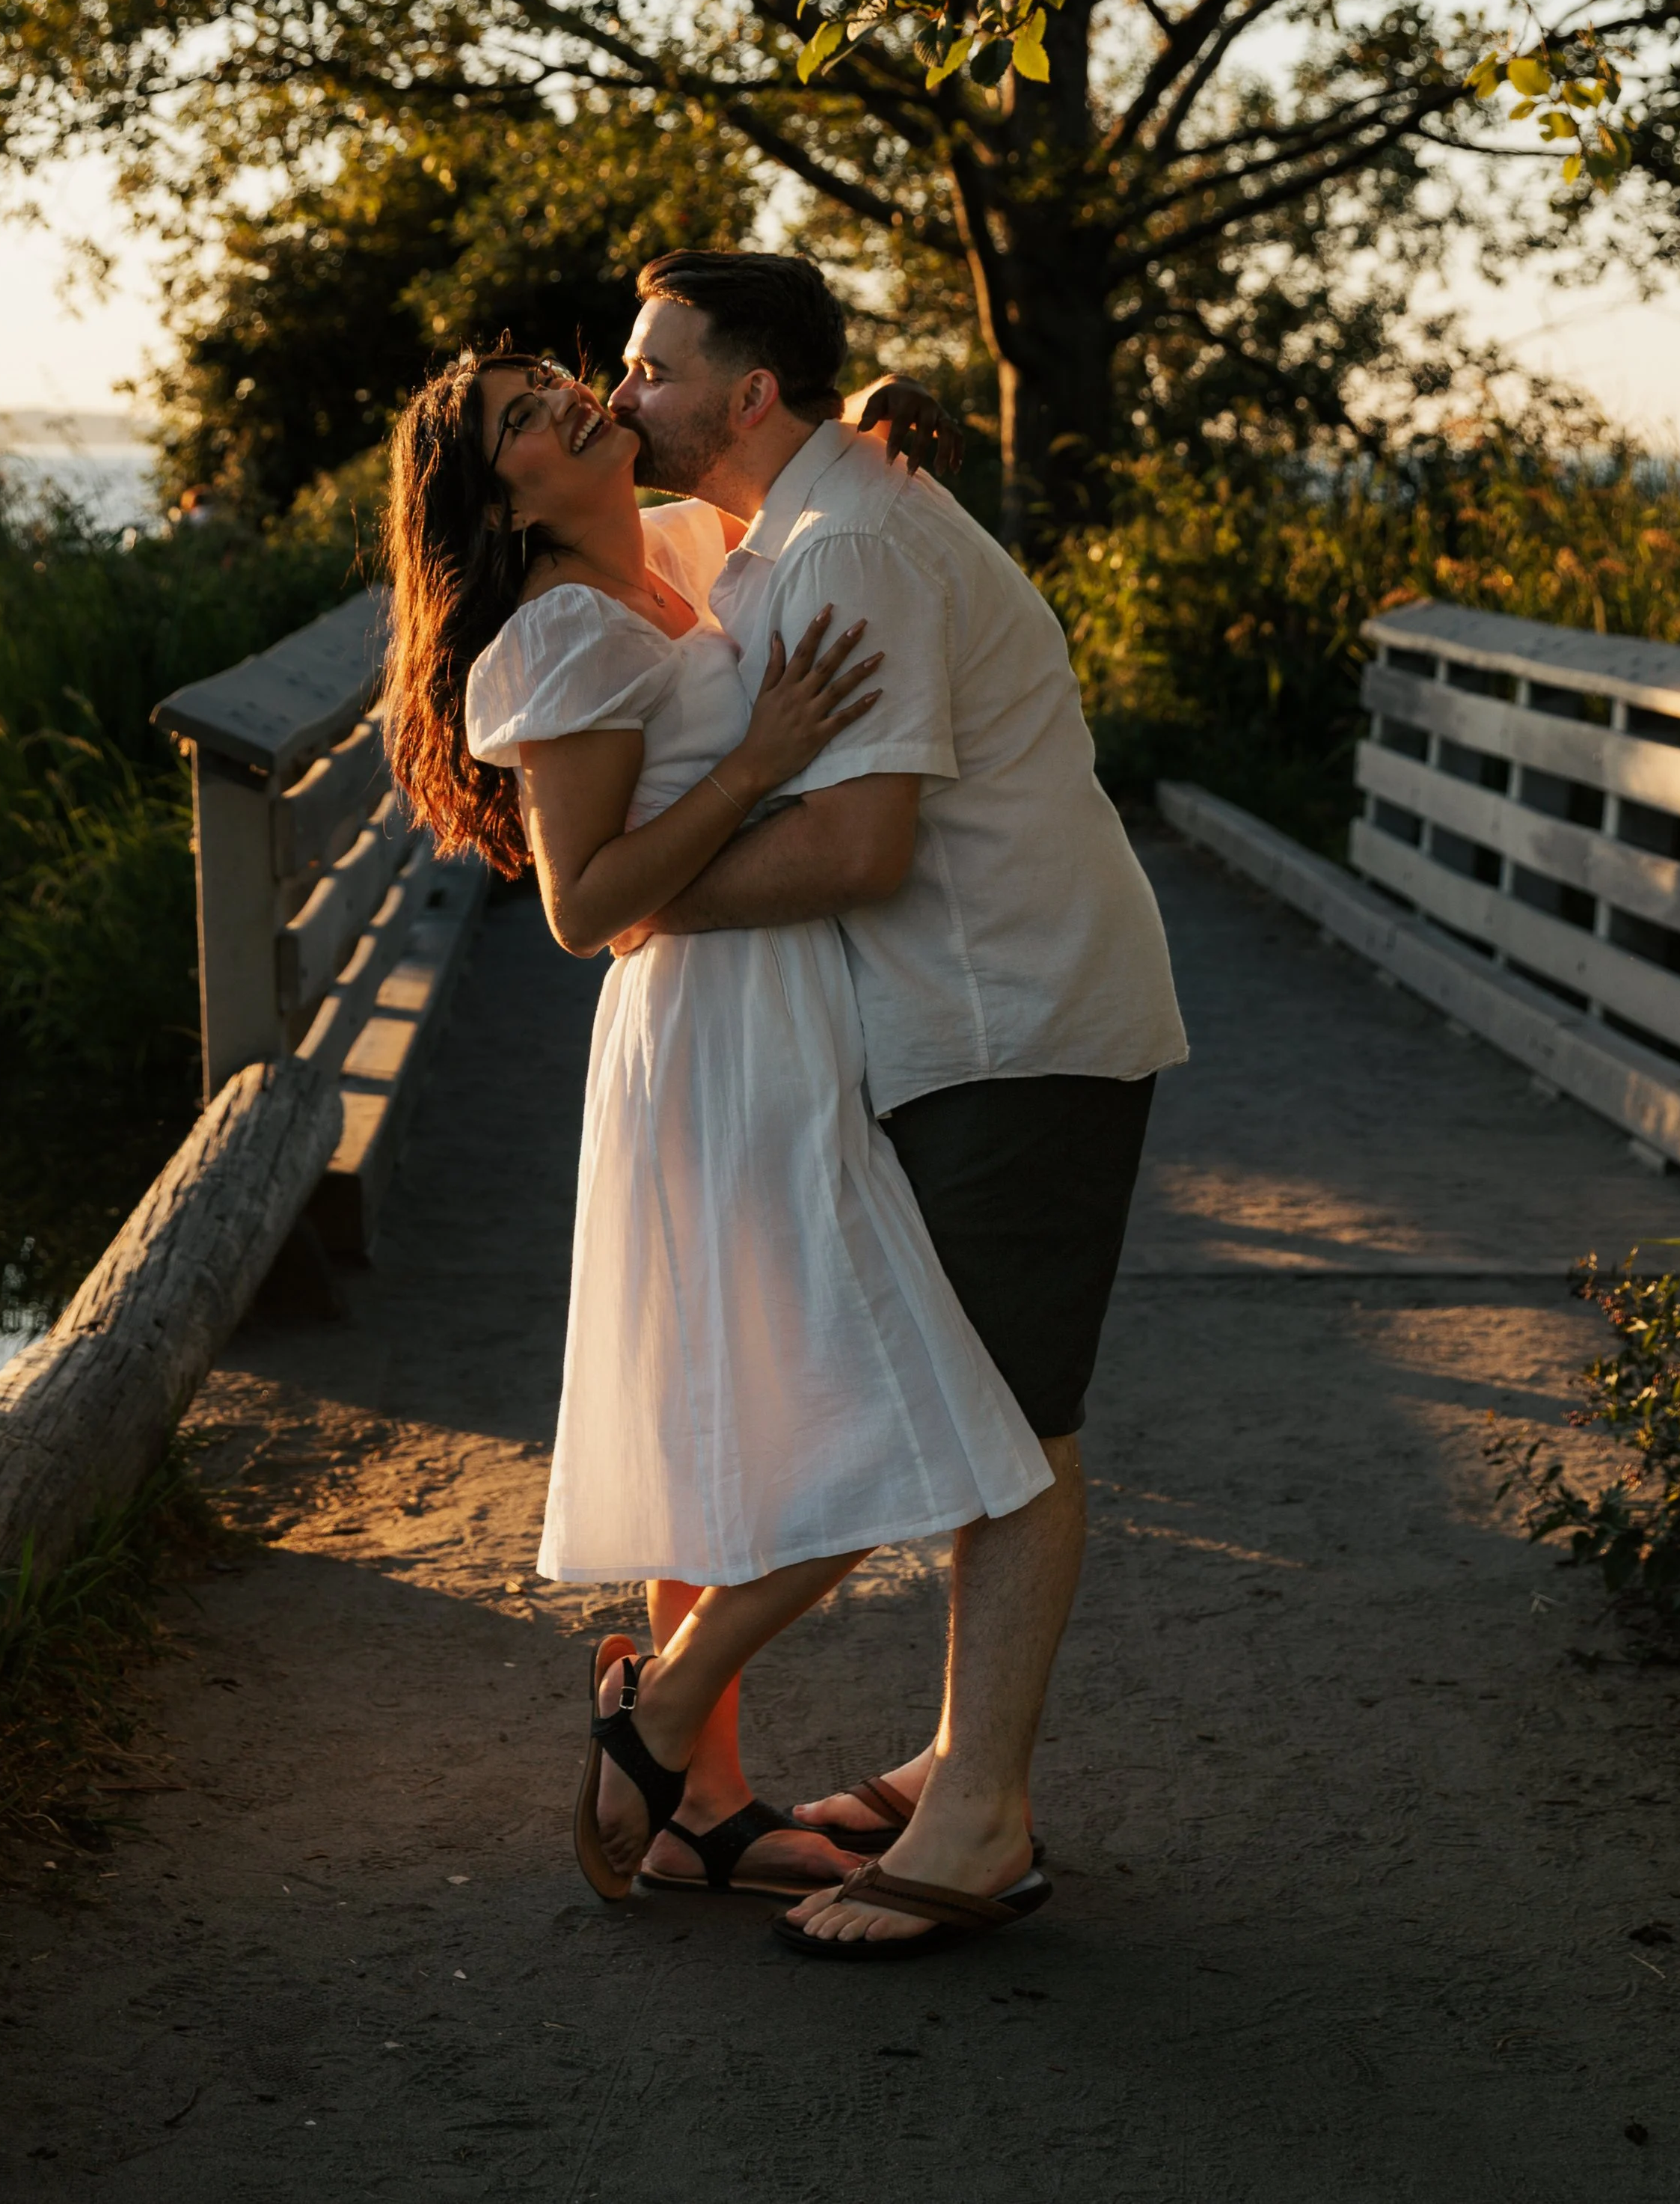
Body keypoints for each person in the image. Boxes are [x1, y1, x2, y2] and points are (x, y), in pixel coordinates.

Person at [381, 346, 1054, 1912]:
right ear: (505, 500)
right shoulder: (562, 631)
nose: (562, 404)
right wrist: (755, 764)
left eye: (555, 382)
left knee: (728, 1404)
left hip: (786, 1009)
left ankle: (703, 1806)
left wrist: (868, 421)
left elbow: (786, 501)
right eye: (517, 423)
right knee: (893, 1419)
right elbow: (581, 905)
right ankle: (663, 1709)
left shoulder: (680, 552)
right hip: (712, 1038)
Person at [602, 248, 1188, 1955]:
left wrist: (637, 899)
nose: (620, 391)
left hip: (1016, 1015)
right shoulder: (801, 515)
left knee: (999, 1419)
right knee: (973, 1405)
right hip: (956, 1018)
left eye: (649, 367)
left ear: (747, 395)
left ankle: (979, 1823)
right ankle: (955, 1763)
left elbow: (861, 847)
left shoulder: (845, 535)